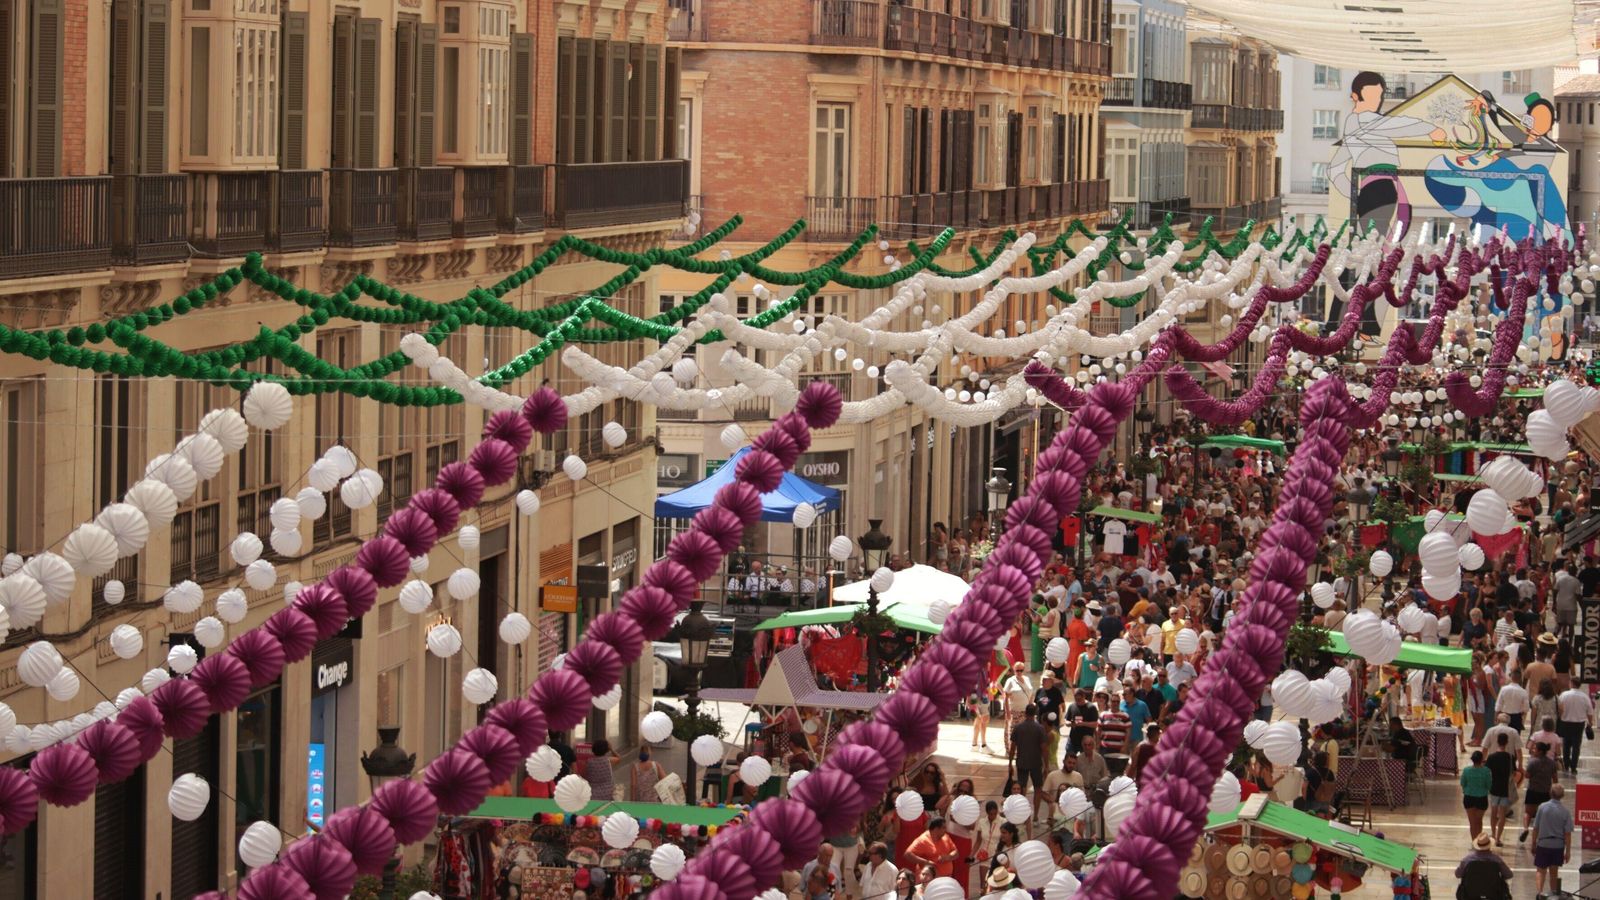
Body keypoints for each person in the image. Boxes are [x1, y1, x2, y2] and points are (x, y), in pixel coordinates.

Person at [1009, 705, 1048, 827]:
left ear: (1025, 713)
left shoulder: (1018, 727)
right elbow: (1044, 748)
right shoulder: (1040, 728)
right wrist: (1046, 765)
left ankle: (1021, 813)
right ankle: (1035, 816)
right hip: (1036, 762)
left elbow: (1012, 747)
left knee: (1021, 789)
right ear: (1035, 713)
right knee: (1038, 788)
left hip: (1022, 761)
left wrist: (1010, 762)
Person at [1534, 783, 1575, 899]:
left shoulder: (1542, 807)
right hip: (1558, 845)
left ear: (1550, 793)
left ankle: (1540, 893)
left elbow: (1536, 828)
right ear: (1562, 795)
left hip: (1543, 843)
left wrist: (1533, 843)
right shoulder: (1565, 812)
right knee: (1554, 873)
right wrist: (1568, 852)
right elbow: (1567, 834)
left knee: (1540, 870)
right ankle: (1552, 896)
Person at [1520, 740, 1559, 845]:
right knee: (1543, 815)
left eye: (1535, 748)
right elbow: (1555, 778)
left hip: (1533, 791)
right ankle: (1540, 835)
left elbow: (1527, 776)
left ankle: (1525, 828)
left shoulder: (1533, 762)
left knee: (1528, 812)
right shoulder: (1551, 763)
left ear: (1540, 751)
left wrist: (1523, 771)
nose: (1533, 750)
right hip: (1545, 792)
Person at [1453, 833, 1512, 900]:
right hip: (1493, 894)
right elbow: (1509, 875)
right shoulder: (1496, 860)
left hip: (1470, 894)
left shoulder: (1467, 860)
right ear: (1489, 845)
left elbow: (1457, 874)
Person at [1485, 732, 1517, 846]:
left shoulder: (1491, 757)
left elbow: (1487, 772)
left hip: (1494, 787)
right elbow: (1513, 772)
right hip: (1505, 788)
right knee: (1502, 813)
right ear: (1507, 742)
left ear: (1497, 742)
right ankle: (1498, 838)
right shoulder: (1510, 757)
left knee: (1493, 812)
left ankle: (1493, 834)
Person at [1557, 683, 1594, 774]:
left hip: (1565, 722)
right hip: (1578, 724)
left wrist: (1559, 718)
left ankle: (1566, 765)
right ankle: (1574, 767)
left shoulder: (1564, 695)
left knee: (1566, 745)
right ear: (1579, 685)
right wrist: (1590, 723)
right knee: (1576, 746)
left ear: (1571, 684)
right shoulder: (1584, 697)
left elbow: (1559, 708)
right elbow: (1589, 711)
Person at [1461, 751, 1492, 842]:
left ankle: (1474, 841)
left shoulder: (1466, 770)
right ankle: (1479, 841)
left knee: (1472, 822)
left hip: (1469, 797)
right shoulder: (1486, 771)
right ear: (1482, 759)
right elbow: (1489, 785)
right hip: (1481, 798)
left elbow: (1463, 783)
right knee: (1479, 821)